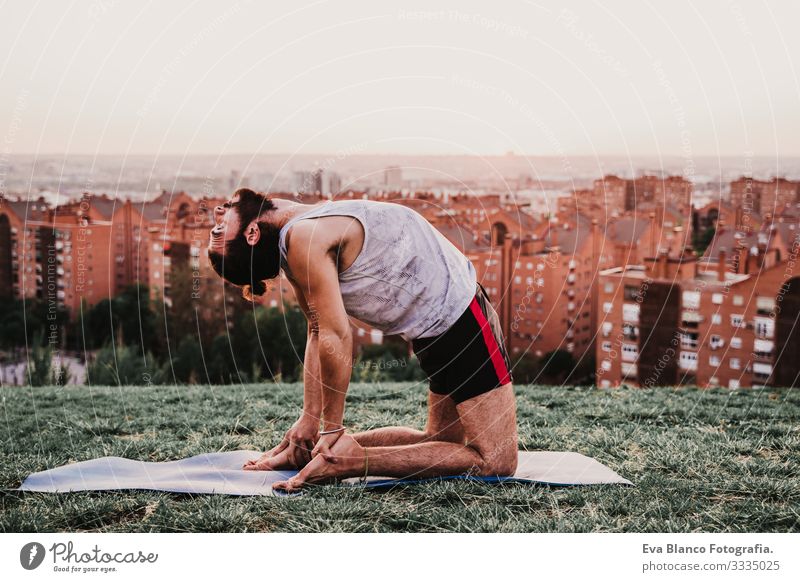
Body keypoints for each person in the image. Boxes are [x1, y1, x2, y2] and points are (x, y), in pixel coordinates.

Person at [207, 188, 517, 492]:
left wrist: (313, 429)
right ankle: (344, 459)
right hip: (460, 318)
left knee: (441, 440)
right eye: (218, 230)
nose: (217, 215)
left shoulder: (289, 225)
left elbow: (320, 330)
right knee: (496, 461)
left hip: (442, 320)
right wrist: (324, 425)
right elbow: (327, 332)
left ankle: (321, 452)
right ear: (251, 234)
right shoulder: (297, 237)